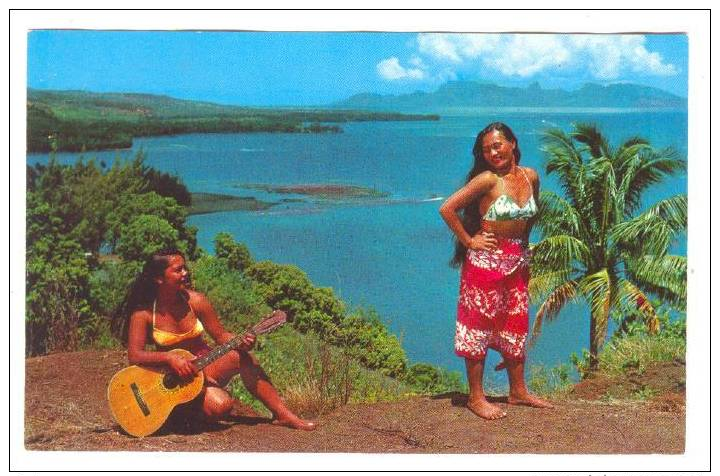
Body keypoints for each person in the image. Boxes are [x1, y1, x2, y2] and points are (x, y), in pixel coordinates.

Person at [115, 248, 316, 431]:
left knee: (242, 356)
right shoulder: (143, 313)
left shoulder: (196, 301)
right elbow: (135, 356)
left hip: (205, 366)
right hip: (169, 376)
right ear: (159, 278)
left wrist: (242, 341)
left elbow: (220, 336)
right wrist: (170, 359)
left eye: (185, 268)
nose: (185, 273)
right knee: (221, 407)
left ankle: (284, 415)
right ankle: (175, 408)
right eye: (178, 270)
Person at [439, 122, 553, 420]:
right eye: (487, 149)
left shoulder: (530, 176)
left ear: (513, 143)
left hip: (517, 261)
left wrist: (524, 249)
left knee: (514, 323)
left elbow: (531, 215)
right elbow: (447, 209)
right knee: (478, 326)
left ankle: (518, 392)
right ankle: (476, 398)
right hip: (485, 263)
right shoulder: (486, 180)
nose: (493, 152)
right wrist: (470, 240)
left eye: (498, 145)